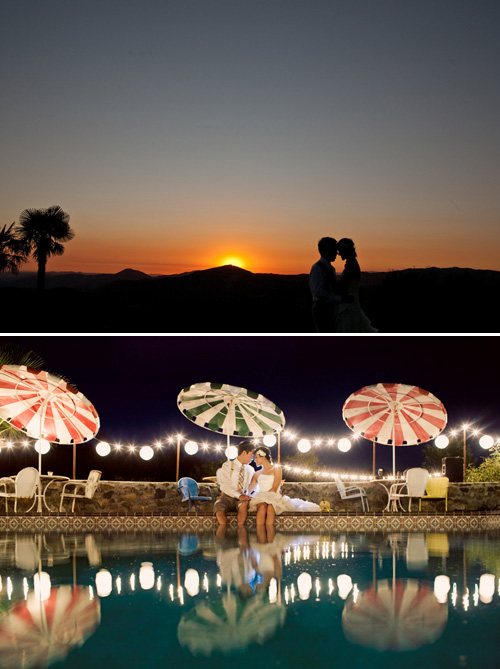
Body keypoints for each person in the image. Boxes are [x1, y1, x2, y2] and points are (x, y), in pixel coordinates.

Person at [249, 446, 320, 524]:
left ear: (263, 457)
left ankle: (270, 535)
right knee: (262, 507)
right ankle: (259, 535)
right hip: (261, 498)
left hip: (274, 497)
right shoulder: (256, 474)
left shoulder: (277, 469)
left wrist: (266, 499)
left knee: (270, 508)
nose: (254, 460)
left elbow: (274, 488)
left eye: (256, 457)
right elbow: (249, 489)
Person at [309, 237, 351, 333]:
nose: (336, 253)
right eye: (334, 250)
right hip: (321, 309)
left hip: (330, 308)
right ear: (326, 250)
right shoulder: (317, 268)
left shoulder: (331, 269)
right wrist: (339, 298)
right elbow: (318, 291)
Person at [336, 238, 378, 333]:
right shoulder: (352, 264)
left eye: (340, 251)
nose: (339, 254)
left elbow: (342, 286)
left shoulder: (352, 266)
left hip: (349, 305)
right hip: (351, 303)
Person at [214, 440, 255, 527]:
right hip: (227, 497)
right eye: (251, 455)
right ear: (244, 453)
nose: (252, 458)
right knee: (218, 507)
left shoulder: (250, 469)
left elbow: (253, 486)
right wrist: (238, 496)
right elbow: (224, 485)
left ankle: (240, 532)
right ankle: (223, 534)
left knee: (244, 505)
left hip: (242, 497)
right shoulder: (227, 465)